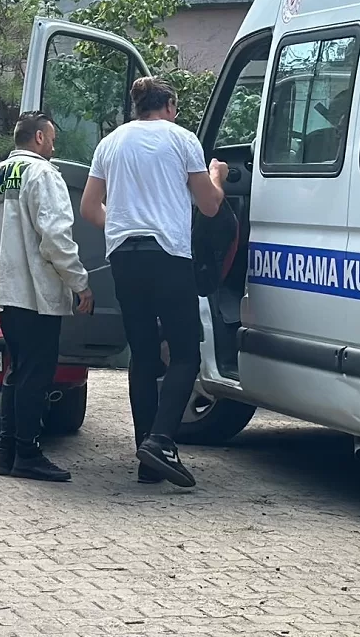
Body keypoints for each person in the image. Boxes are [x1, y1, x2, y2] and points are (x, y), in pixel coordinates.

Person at [80, 76, 228, 488]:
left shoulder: (110, 143)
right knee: (184, 354)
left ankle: (147, 459)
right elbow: (210, 206)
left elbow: (90, 207)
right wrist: (217, 174)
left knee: (143, 355)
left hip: (125, 257)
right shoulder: (183, 140)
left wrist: (125, 227)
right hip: (169, 255)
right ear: (170, 106)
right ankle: (162, 441)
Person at [0, 113, 93, 483]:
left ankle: (7, 453)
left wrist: (5, 235)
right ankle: (28, 453)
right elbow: (55, 237)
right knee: (36, 374)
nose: (54, 146)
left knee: (18, 372)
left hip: (5, 289)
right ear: (38, 138)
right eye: (51, 138)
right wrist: (80, 283)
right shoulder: (44, 175)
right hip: (36, 292)